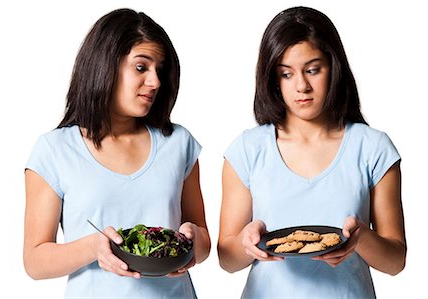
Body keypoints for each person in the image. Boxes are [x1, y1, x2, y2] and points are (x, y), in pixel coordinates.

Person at [217, 6, 405, 299]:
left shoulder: (373, 148)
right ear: (274, 80)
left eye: (313, 70)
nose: (301, 86)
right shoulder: (247, 149)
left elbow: (396, 262)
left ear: (334, 67)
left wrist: (360, 239)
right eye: (287, 74)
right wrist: (245, 242)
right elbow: (226, 260)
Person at [23, 8, 210, 298]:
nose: (155, 82)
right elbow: (35, 261)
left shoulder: (178, 143)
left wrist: (194, 239)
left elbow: (202, 237)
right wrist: (94, 247)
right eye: (141, 67)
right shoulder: (54, 151)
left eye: (159, 70)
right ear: (105, 65)